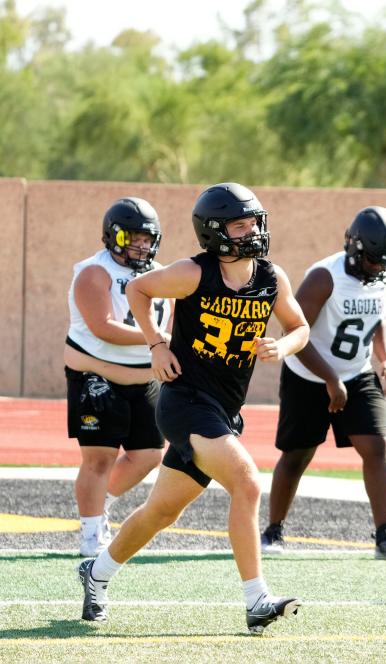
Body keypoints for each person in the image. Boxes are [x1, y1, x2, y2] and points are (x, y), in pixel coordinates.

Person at [78, 183, 310, 635]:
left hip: (223, 411)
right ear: (215, 232)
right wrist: (156, 344)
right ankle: (256, 599)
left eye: (254, 221)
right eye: (240, 224)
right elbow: (139, 290)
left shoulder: (270, 277)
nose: (253, 230)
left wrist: (281, 346)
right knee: (246, 483)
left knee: (161, 512)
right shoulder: (193, 273)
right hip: (184, 401)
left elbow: (299, 326)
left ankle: (96, 573)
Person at [260, 206, 386, 560]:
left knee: (376, 446)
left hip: (357, 371)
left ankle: (385, 536)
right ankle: (273, 531)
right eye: (374, 262)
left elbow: (378, 319)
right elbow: (293, 332)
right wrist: (330, 379)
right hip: (307, 375)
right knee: (297, 455)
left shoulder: (380, 276)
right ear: (355, 247)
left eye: (385, 264)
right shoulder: (324, 277)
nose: (379, 269)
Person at [65, 197, 171, 558]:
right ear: (113, 235)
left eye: (147, 238)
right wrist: (160, 340)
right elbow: (103, 328)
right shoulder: (95, 272)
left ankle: (99, 500)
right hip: (97, 373)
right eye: (133, 237)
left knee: (149, 456)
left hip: (144, 376)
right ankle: (91, 536)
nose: (141, 244)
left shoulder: (161, 273)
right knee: (99, 457)